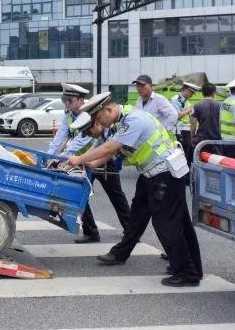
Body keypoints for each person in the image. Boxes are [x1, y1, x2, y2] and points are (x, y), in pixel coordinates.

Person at [67, 93, 202, 287]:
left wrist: (80, 159)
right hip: (151, 174)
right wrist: (90, 164)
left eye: (98, 118)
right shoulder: (122, 120)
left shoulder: (133, 121)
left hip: (165, 174)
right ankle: (121, 253)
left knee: (168, 224)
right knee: (137, 217)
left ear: (109, 110)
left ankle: (187, 272)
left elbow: (110, 147)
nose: (99, 123)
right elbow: (112, 151)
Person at [48, 84, 130, 242]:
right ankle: (91, 232)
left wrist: (65, 159)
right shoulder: (69, 114)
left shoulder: (92, 112)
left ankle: (131, 232)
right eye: (64, 100)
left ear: (80, 99)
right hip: (84, 161)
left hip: (103, 159)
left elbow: (82, 141)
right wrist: (48, 157)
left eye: (69, 101)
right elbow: (60, 138)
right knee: (81, 195)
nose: (66, 104)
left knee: (116, 196)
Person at [170, 82, 200, 169]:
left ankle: (185, 177)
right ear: (185, 89)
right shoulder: (176, 100)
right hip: (179, 132)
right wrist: (189, 109)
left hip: (185, 132)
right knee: (181, 156)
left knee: (187, 155)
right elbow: (176, 116)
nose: (192, 95)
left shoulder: (186, 102)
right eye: (191, 92)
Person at [191, 82, 221, 155]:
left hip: (202, 138)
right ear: (214, 92)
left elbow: (193, 123)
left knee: (202, 159)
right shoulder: (220, 105)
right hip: (217, 137)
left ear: (202, 92)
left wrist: (192, 136)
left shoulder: (197, 105)